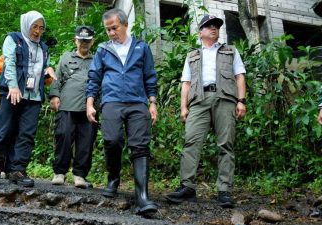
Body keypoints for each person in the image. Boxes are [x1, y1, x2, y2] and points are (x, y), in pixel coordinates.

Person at [165, 15, 247, 208]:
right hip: (198, 101)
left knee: (226, 144)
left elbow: (240, 77)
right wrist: (184, 107)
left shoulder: (231, 51)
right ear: (200, 32)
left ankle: (224, 190)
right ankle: (187, 188)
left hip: (225, 99)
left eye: (216, 26)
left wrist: (241, 101)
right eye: (209, 26)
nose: (214, 28)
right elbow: (186, 83)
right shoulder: (192, 55)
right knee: (191, 142)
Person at [86, 8, 158, 215]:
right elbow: (94, 78)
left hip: (137, 103)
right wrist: (90, 104)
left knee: (140, 145)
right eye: (107, 29)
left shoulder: (141, 47)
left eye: (114, 28)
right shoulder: (102, 49)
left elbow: (150, 76)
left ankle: (142, 197)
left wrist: (152, 103)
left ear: (125, 25)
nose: (110, 33)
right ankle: (113, 178)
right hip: (111, 102)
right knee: (112, 140)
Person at [0, 10, 55, 188]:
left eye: (41, 28)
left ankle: (17, 170)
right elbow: (9, 63)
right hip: (12, 93)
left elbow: (43, 69)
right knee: (4, 130)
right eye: (34, 26)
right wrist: (13, 86)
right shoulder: (13, 39)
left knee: (26, 134)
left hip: (34, 97)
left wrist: (49, 72)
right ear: (26, 25)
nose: (37, 31)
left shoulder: (44, 48)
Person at [49, 25, 97, 189]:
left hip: (89, 108)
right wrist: (54, 95)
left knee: (86, 141)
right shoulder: (66, 57)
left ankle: (80, 175)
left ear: (92, 42)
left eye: (87, 40)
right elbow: (57, 78)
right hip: (67, 105)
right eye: (81, 40)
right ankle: (59, 172)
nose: (84, 43)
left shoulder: (97, 60)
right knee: (63, 137)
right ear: (75, 40)